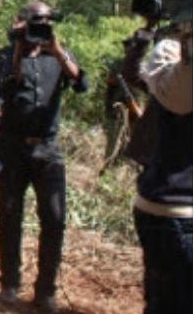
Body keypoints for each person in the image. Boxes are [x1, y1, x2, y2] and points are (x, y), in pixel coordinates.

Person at [0, 1, 88, 313]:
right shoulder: (5, 55)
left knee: (55, 219)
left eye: (47, 22)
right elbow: (7, 88)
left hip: (48, 149)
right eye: (37, 22)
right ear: (21, 23)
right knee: (9, 216)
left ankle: (45, 289)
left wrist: (57, 51)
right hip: (12, 147)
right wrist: (20, 47)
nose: (41, 28)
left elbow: (81, 84)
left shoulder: (60, 55)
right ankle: (9, 282)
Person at [121, 18, 191, 314]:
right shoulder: (182, 92)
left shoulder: (165, 88)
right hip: (179, 211)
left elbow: (135, 73)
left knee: (160, 298)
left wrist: (144, 36)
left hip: (153, 204)